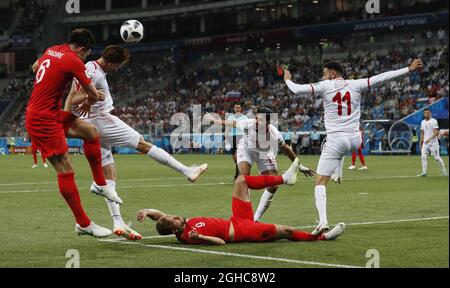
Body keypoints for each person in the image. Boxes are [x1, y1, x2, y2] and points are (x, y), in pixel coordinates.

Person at [64, 45, 207, 240]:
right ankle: (187, 171)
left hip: (91, 123)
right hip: (101, 120)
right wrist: (93, 95)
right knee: (144, 144)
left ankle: (117, 221)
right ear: (113, 63)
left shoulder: (89, 66)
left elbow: (74, 97)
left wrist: (89, 98)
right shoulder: (96, 76)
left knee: (109, 174)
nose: (119, 68)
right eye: (119, 65)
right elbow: (74, 99)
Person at [284, 58, 424, 235]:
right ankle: (338, 173)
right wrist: (408, 69)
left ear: (333, 74)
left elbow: (297, 90)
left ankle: (323, 222)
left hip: (336, 139)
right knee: (340, 148)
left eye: (325, 73)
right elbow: (383, 77)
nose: (323, 76)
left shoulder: (325, 85)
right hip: (355, 139)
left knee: (319, 182)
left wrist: (287, 79)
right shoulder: (356, 84)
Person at [25, 28, 116, 238]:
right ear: (83, 50)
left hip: (48, 112)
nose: (85, 58)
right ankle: (83, 223)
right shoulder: (74, 60)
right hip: (43, 120)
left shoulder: (52, 50)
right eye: (86, 54)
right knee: (66, 170)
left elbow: (35, 66)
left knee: (91, 132)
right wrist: (90, 98)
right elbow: (93, 94)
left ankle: (100, 184)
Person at [137, 159, 345, 245]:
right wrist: (201, 236)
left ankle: (284, 179)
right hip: (241, 232)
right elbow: (221, 242)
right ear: (174, 230)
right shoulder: (187, 235)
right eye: (173, 220)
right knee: (287, 231)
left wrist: (147, 211)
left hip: (236, 219)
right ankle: (321, 238)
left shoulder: (176, 223)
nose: (174, 216)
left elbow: (160, 216)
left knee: (241, 180)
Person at [205, 107, 314, 222]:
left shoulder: (274, 134)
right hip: (246, 150)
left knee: (273, 185)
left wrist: (299, 166)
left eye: (260, 120)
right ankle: (243, 215)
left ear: (268, 122)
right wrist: (213, 120)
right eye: (256, 118)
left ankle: (255, 219)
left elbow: (286, 149)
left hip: (264, 154)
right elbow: (231, 123)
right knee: (243, 179)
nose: (257, 122)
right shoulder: (247, 125)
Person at [417, 108, 447, 177]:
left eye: (427, 113)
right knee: (423, 157)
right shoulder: (422, 122)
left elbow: (436, 132)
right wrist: (420, 142)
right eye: (425, 113)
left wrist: (429, 139)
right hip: (425, 143)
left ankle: (444, 171)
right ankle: (424, 172)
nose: (426, 114)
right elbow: (422, 133)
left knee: (437, 158)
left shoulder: (434, 121)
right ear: (423, 114)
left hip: (433, 143)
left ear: (430, 113)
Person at [225, 102, 248, 180]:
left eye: (238, 107)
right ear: (234, 109)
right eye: (236, 107)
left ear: (241, 109)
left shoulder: (245, 118)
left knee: (238, 156)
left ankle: (238, 176)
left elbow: (247, 129)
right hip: (232, 137)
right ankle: (239, 171)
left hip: (241, 137)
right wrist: (226, 137)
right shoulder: (230, 117)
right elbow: (228, 128)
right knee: (234, 158)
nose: (237, 109)